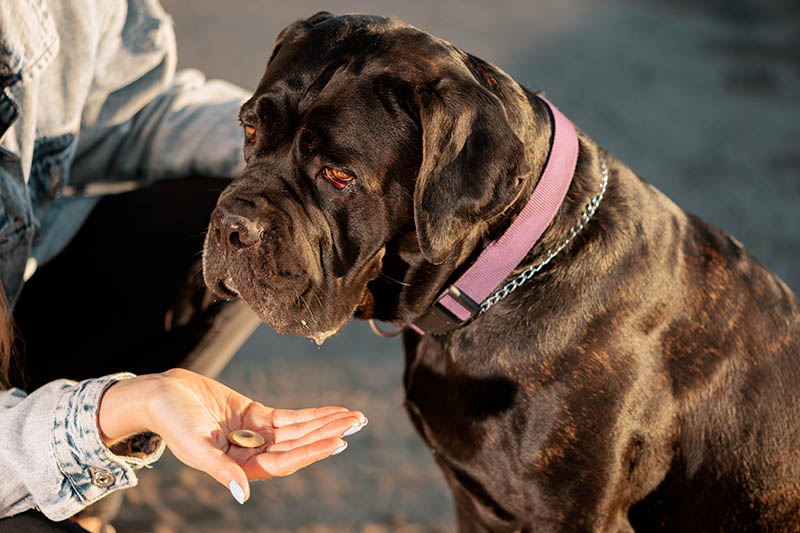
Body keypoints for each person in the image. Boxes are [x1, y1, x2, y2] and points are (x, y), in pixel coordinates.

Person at [0, 1, 365, 531]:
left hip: (23, 296)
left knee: (253, 229)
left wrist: (300, 152)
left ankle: (77, 503)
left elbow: (134, 113)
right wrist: (121, 407)